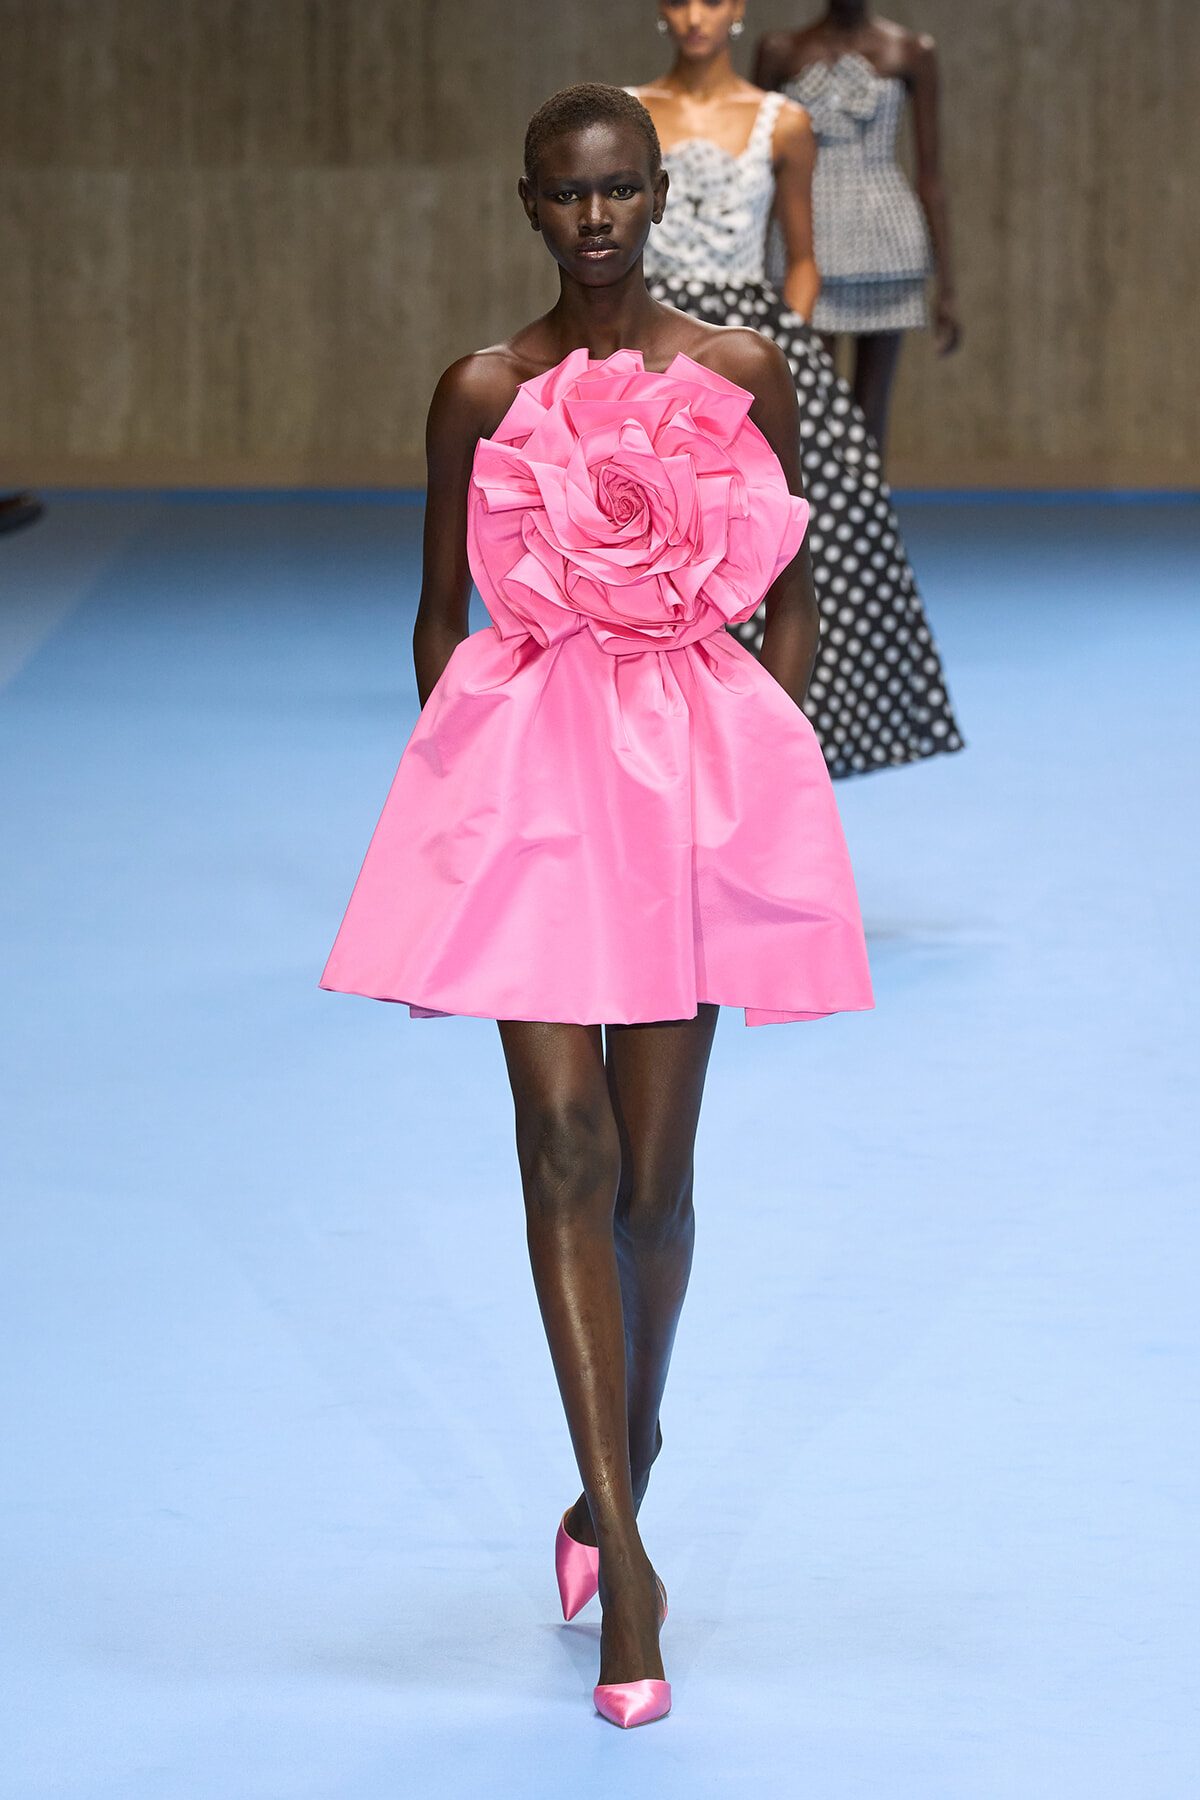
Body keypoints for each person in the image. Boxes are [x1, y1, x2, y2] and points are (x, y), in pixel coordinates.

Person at [321, 83, 874, 1727]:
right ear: (529, 206)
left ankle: (609, 1464)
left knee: (651, 1186)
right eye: (570, 196)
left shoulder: (739, 374)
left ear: (657, 196)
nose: (601, 218)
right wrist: (475, 784)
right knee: (559, 1149)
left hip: (688, 805)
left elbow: (790, 603)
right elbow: (437, 616)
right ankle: (627, 1562)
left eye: (624, 189)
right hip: (540, 806)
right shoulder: (481, 391)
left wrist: (748, 765)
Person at [632, 0, 962, 779]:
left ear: (736, 10)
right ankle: (648, 735)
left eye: (711, 0)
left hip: (754, 336)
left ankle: (783, 740)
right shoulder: (633, 112)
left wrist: (782, 349)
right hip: (648, 337)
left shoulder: (781, 119)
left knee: (810, 530)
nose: (695, 17)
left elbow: (801, 256)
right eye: (679, 1)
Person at [755, 0, 961, 458]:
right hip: (804, 238)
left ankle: (866, 522)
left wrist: (946, 287)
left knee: (872, 409)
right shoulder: (781, 51)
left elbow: (931, 175)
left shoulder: (910, 50)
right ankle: (818, 520)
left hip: (886, 239)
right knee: (811, 398)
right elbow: (755, 170)